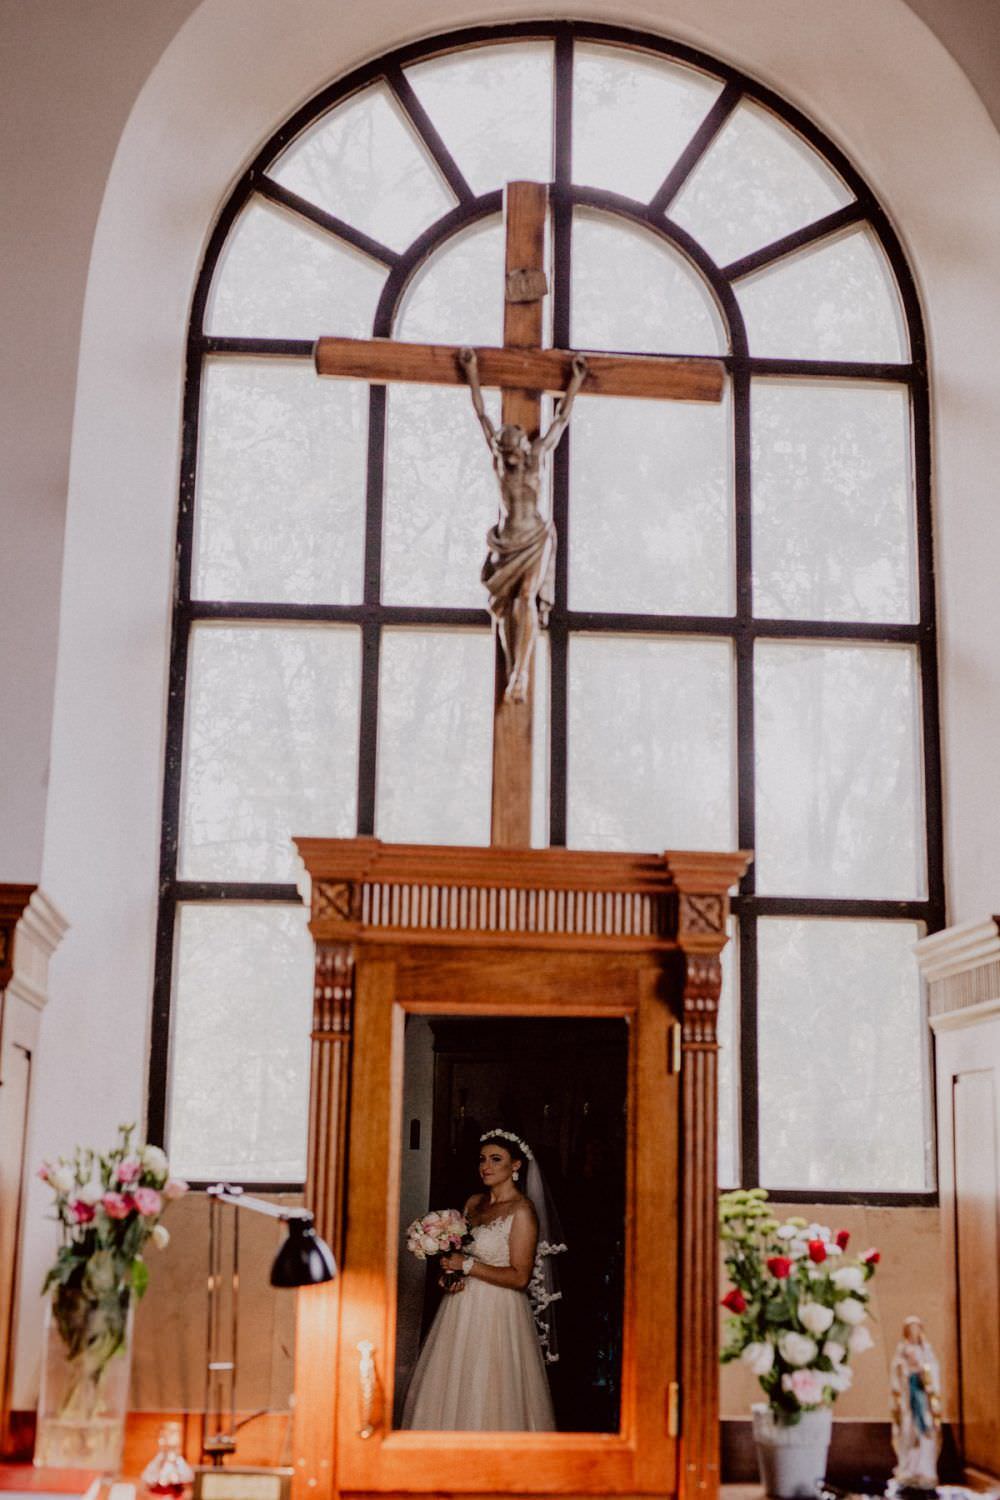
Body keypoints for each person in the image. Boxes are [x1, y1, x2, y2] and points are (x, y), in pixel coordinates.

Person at [400, 1128, 565, 1431]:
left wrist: (468, 1266)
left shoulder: (522, 1211)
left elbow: (520, 1277)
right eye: (482, 1159)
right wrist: (449, 1273)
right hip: (460, 1307)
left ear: (515, 1166)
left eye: (496, 1159)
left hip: (499, 1311)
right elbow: (460, 1255)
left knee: (490, 1386)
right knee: (452, 1383)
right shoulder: (473, 1203)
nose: (485, 1166)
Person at [458, 347, 588, 703]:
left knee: (526, 598)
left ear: (523, 448)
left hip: (535, 537)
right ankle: (513, 669)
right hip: (506, 541)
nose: (507, 458)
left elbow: (560, 420)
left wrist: (575, 381)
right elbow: (481, 415)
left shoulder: (537, 459)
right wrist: (471, 372)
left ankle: (521, 672)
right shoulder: (500, 461)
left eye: (512, 452)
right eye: (502, 452)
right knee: (503, 608)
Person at [890, 1315, 942, 1490]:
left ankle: (925, 1469)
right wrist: (905, 1371)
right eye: (911, 1329)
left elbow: (932, 1370)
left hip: (922, 1395)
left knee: (925, 1430)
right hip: (908, 1398)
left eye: (916, 1328)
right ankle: (908, 1469)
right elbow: (897, 1371)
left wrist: (924, 1372)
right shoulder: (902, 1349)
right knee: (908, 1431)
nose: (914, 1332)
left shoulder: (925, 1349)